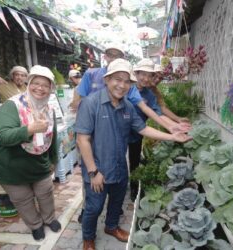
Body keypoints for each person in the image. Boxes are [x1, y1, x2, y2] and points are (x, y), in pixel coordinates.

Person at [75, 59, 191, 250]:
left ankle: (111, 227)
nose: (121, 85)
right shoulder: (90, 103)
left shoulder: (128, 106)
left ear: (130, 85)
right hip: (97, 170)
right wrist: (93, 172)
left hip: (120, 167)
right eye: (117, 79)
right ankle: (88, 238)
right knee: (94, 208)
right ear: (107, 79)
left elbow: (143, 128)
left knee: (117, 201)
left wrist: (173, 136)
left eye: (126, 81)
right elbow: (82, 140)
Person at [0, 65, 61, 241]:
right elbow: (2, 137)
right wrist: (29, 129)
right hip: (7, 163)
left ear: (50, 89)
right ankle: (35, 225)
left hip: (36, 161)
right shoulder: (13, 105)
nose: (40, 88)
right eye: (36, 83)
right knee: (22, 198)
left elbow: (53, 137)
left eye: (45, 85)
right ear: (29, 83)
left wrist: (54, 160)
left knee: (45, 191)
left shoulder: (50, 109)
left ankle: (49, 219)